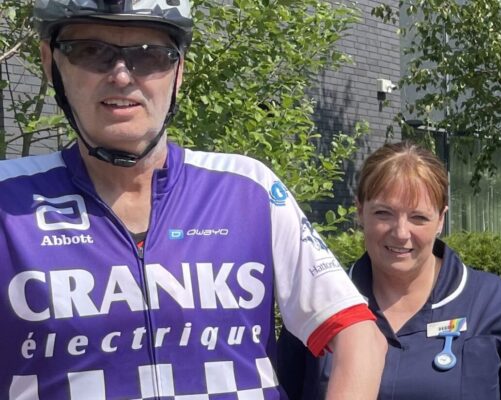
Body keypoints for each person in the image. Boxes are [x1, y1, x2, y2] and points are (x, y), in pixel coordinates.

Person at [0, 0, 386, 398]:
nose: (120, 75)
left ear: (179, 71)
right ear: (50, 65)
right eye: (90, 51)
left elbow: (358, 334)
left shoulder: (246, 190)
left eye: (149, 57)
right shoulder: (6, 202)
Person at [276, 143, 501, 400]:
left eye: (418, 217)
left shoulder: (491, 302)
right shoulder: (320, 303)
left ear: (441, 219)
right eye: (383, 213)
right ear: (359, 211)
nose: (401, 233)